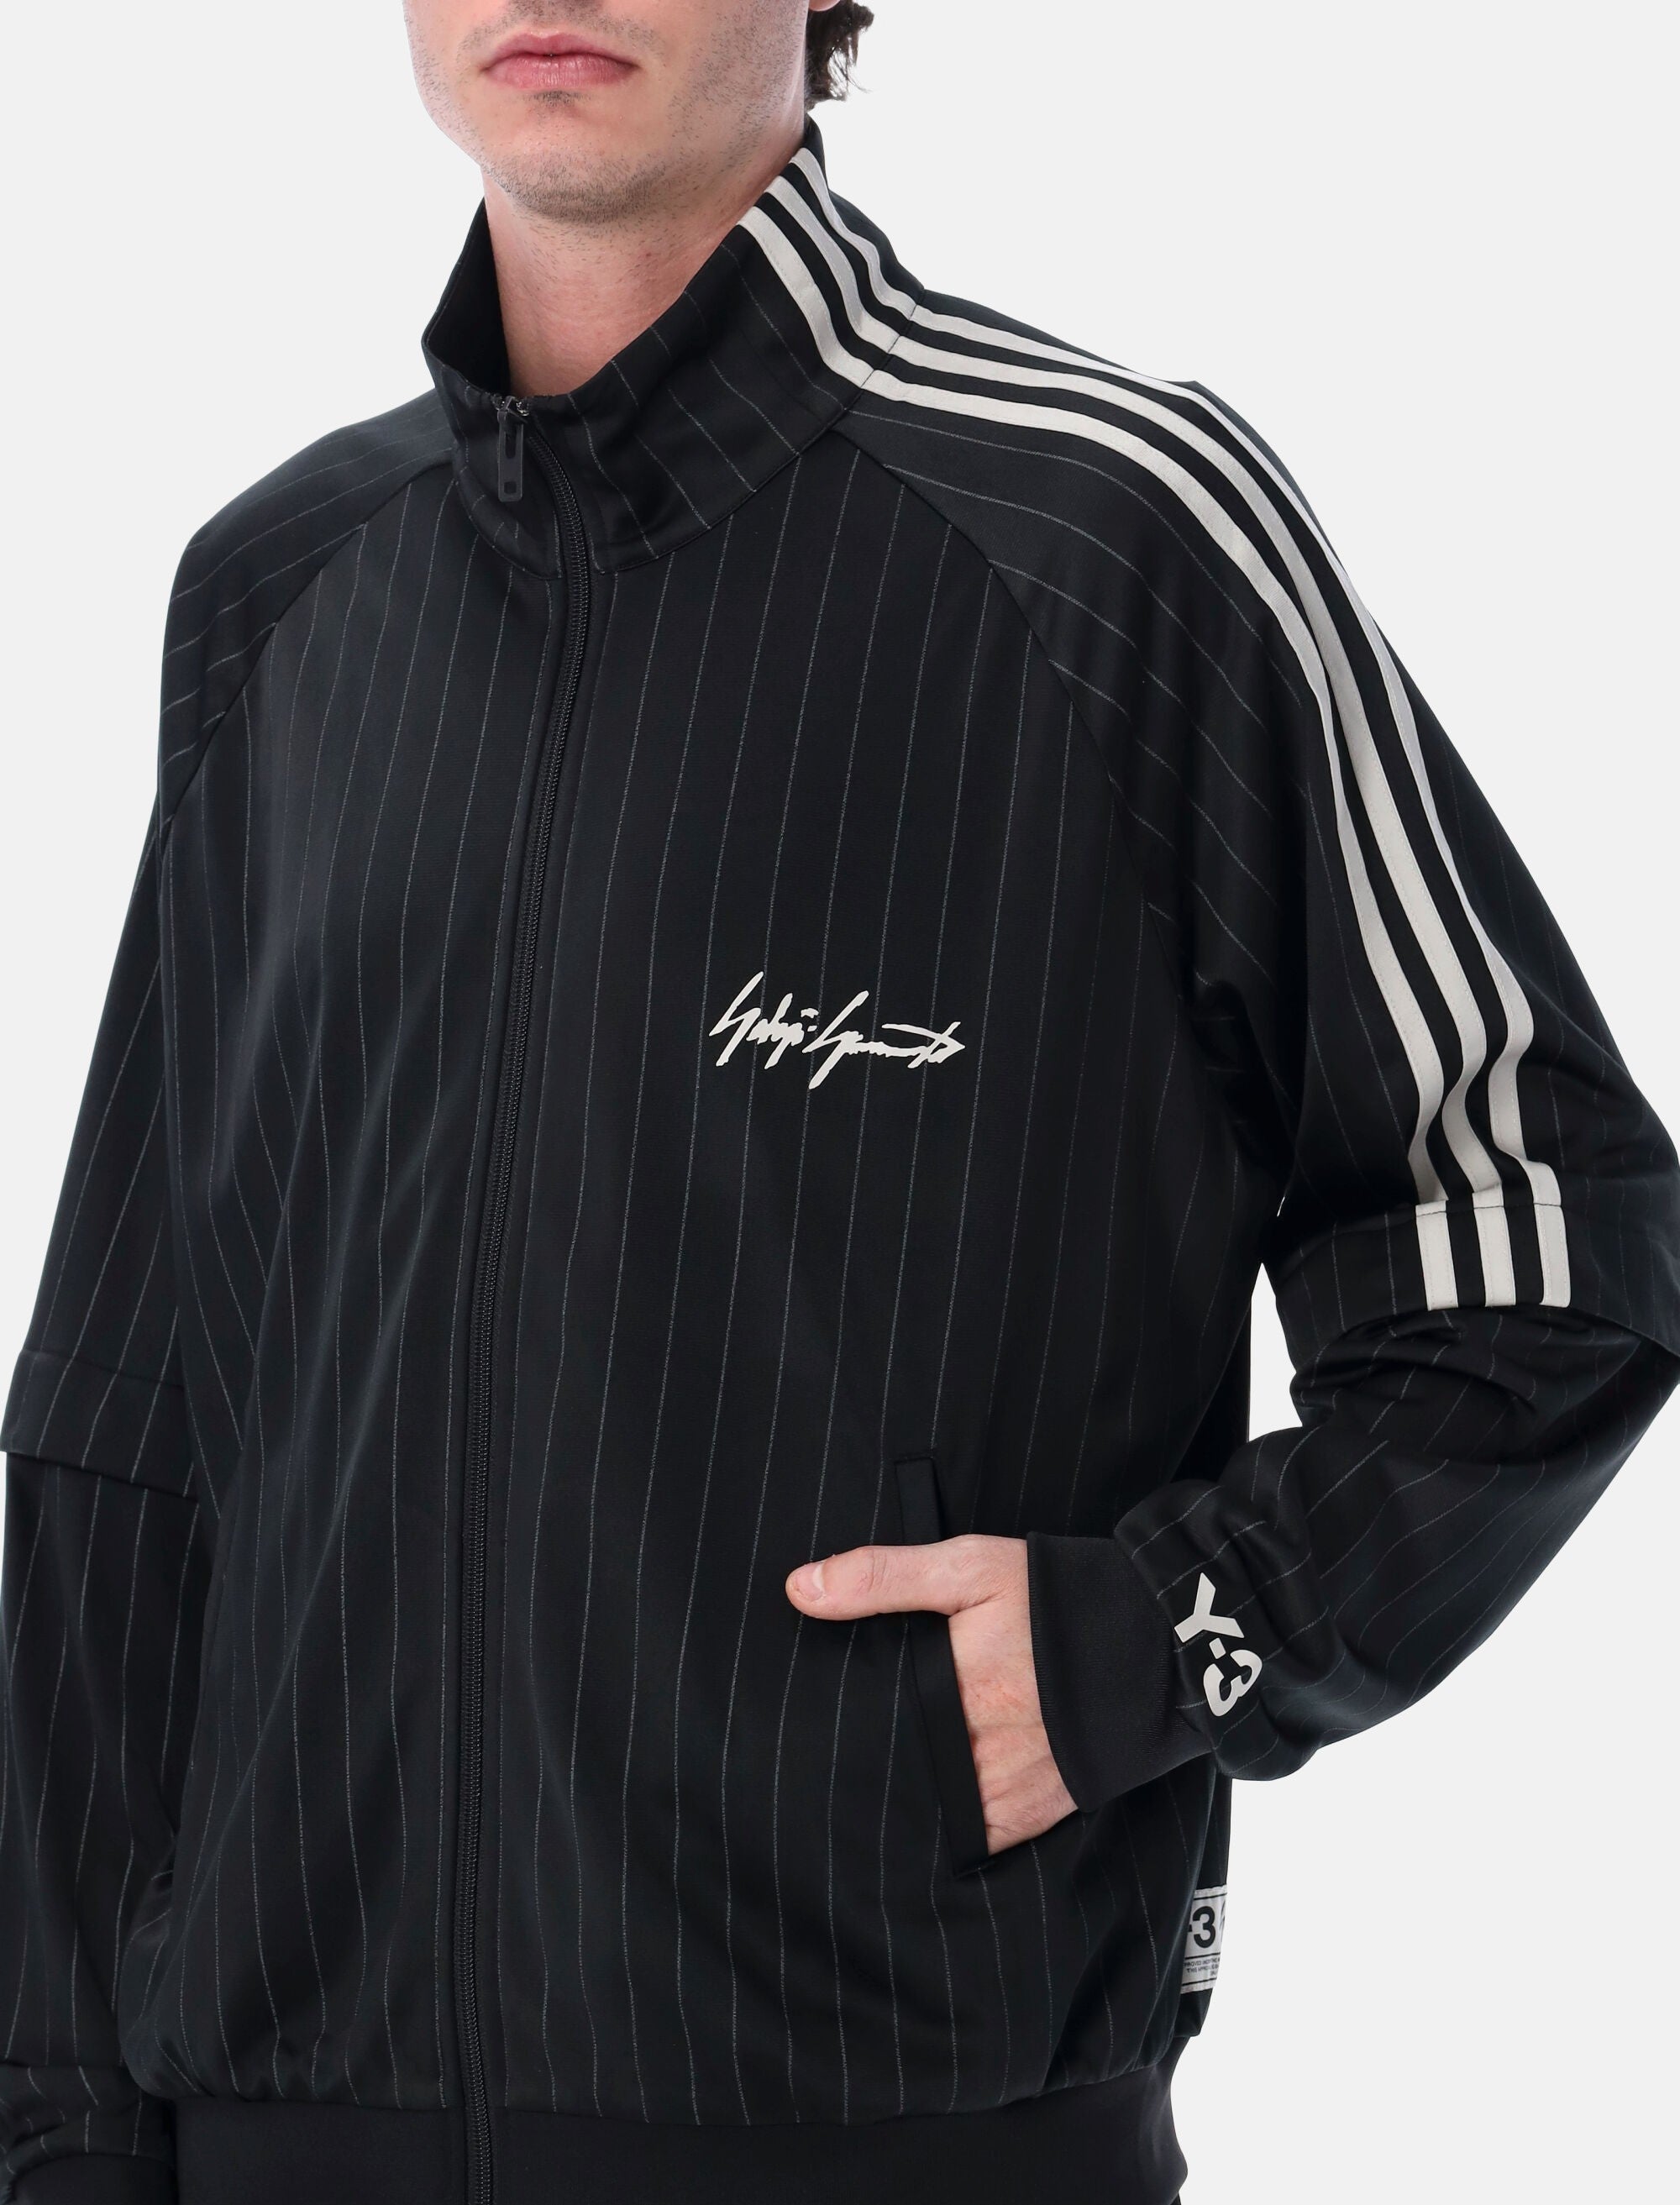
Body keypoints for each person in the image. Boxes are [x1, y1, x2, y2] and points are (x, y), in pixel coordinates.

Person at [3, 4, 1677, 2201]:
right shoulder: (280, 588)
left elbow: (1547, 1233)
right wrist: (61, 2126)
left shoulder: (1111, 533)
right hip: (278, 2128)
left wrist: (1160, 1640)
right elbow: (128, 1427)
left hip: (904, 2125)